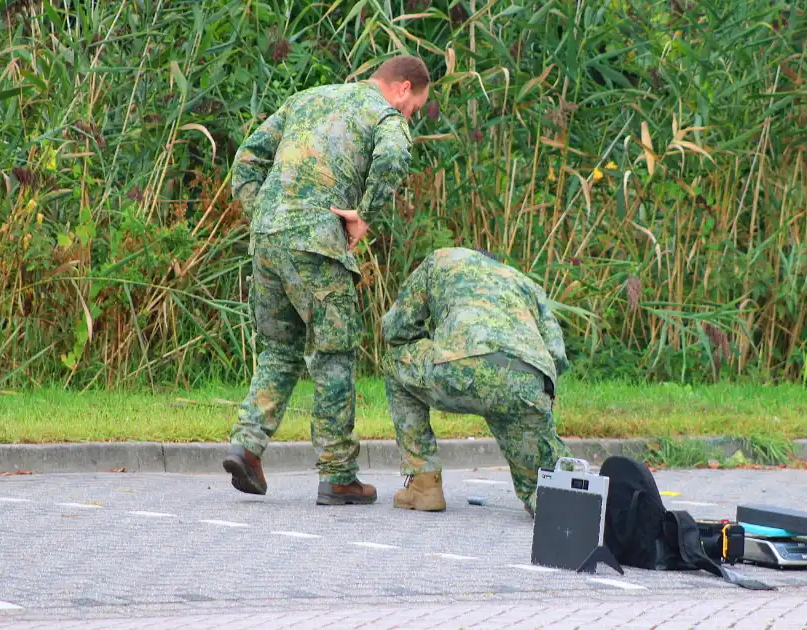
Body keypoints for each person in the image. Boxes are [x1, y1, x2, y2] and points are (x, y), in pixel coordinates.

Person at [221, 55, 430, 506]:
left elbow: (247, 158)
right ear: (402, 88)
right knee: (334, 354)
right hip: (317, 243)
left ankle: (247, 446)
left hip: (267, 240)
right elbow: (394, 155)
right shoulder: (384, 114)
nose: (409, 116)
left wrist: (264, 215)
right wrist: (364, 215)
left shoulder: (307, 99)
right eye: (413, 107)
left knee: (279, 350)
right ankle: (338, 475)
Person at [381, 247, 573, 517]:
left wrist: (435, 342)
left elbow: (396, 329)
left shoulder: (441, 259)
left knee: (394, 360)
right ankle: (563, 508)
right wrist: (540, 401)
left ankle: (424, 484)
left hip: (459, 370)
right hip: (525, 382)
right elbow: (556, 354)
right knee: (549, 495)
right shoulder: (526, 284)